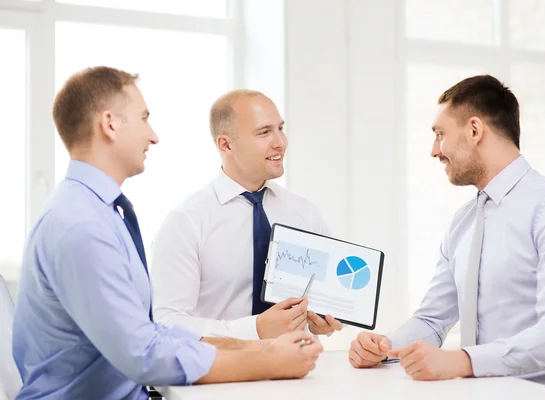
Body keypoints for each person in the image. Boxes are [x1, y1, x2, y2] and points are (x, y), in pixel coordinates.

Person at [12, 66, 323, 400]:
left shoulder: (98, 213)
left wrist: (258, 348)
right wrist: (267, 361)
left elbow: (150, 335)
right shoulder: (82, 225)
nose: (153, 136)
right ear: (110, 124)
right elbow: (143, 356)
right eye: (144, 118)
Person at [348, 75, 545, 394]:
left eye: (440, 135)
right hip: (479, 391)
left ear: (475, 130)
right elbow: (431, 321)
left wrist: (462, 361)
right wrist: (382, 347)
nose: (434, 151)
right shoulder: (462, 222)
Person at [150, 89, 343, 340]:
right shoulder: (186, 221)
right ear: (226, 144)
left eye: (280, 128)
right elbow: (166, 322)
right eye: (264, 132)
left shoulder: (303, 212)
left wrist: (325, 320)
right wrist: (255, 329)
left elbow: (331, 299)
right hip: (224, 375)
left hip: (300, 371)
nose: (280, 142)